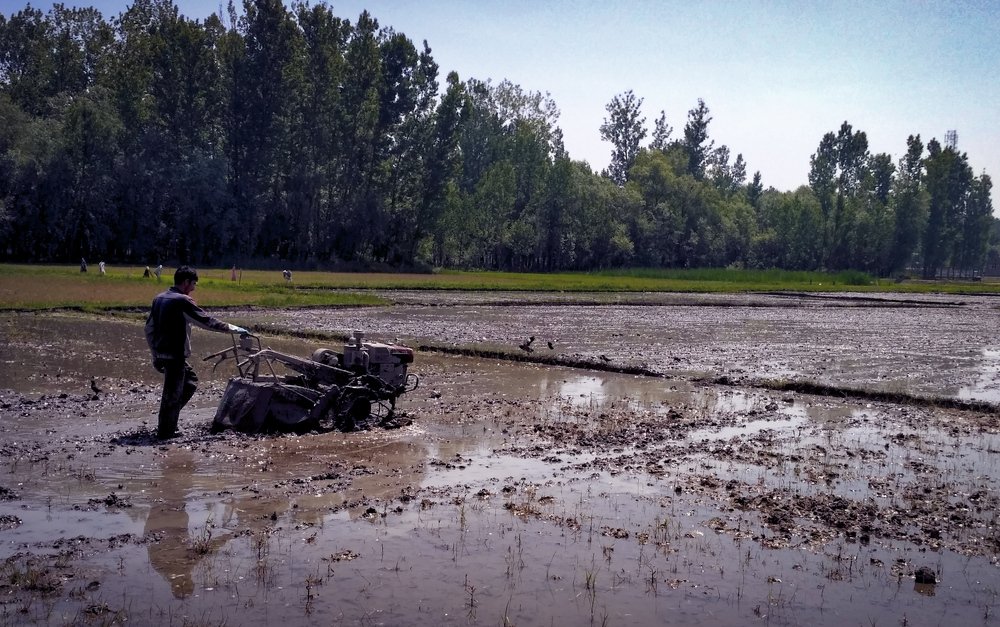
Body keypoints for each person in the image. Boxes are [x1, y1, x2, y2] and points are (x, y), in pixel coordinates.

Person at [145, 266, 248, 439]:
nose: (194, 288)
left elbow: (149, 328)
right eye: (193, 284)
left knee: (190, 382)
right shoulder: (182, 301)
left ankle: (169, 419)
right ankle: (165, 434)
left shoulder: (159, 298)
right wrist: (236, 329)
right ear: (185, 282)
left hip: (162, 352)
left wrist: (154, 354)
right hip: (174, 355)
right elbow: (207, 321)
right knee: (172, 393)